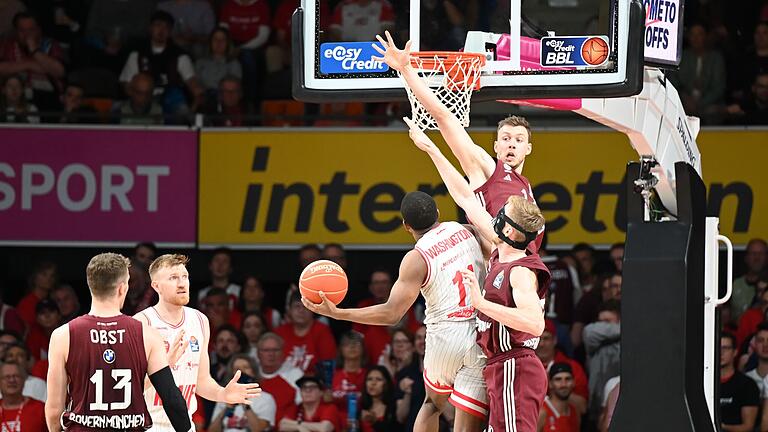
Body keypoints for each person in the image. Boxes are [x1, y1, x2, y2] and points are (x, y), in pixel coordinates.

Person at [401, 100, 550, 431]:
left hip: (515, 361)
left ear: (512, 229)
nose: (491, 218)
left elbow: (535, 324)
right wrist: (430, 148)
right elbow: (465, 197)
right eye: (506, 138)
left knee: (434, 403)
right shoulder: (502, 249)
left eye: (518, 138)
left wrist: (480, 304)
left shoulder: (518, 267)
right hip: (497, 361)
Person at [304, 190, 489, 432]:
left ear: (405, 225)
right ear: (438, 214)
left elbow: (392, 314)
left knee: (432, 403)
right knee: (469, 415)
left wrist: (338, 313)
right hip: (478, 331)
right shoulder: (466, 231)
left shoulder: (416, 257)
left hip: (445, 335)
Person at [371, 31, 543, 253]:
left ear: (528, 148)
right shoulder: (488, 168)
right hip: (500, 272)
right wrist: (406, 70)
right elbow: (444, 116)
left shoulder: (524, 185)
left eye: (519, 140)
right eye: (506, 139)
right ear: (495, 147)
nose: (511, 144)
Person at [45, 252, 193, 432]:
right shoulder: (147, 335)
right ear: (123, 288)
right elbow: (172, 399)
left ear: (90, 285)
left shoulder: (63, 335)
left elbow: (54, 410)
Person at [134, 254, 262, 431]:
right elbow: (128, 387)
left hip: (185, 426)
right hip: (148, 426)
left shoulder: (199, 320)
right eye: (173, 278)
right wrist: (163, 368)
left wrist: (223, 394)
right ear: (156, 286)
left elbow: (201, 381)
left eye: (184, 277)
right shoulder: (141, 323)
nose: (181, 283)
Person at [209, 354, 276, 432]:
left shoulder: (266, 398)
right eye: (237, 369)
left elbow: (258, 429)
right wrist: (226, 408)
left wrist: (245, 403)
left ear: (253, 372)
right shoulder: (224, 396)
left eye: (245, 367)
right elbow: (212, 430)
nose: (241, 372)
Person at [720, 332, 759, 431]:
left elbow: (748, 426)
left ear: (735, 352)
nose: (721, 352)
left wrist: (721, 427)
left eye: (726, 348)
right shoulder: (703, 384)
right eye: (718, 348)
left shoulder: (747, 385)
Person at [0, 361, 46, 431]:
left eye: (16, 376)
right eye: (7, 377)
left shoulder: (41, 409)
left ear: (24, 380)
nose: (12, 380)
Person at [538, 363, 580, 432]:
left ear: (573, 382)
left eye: (568, 379)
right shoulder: (541, 413)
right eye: (558, 379)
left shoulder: (575, 412)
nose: (563, 384)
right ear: (550, 384)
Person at [360, 365, 401, 432]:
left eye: (378, 379)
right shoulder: (361, 407)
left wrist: (375, 422)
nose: (373, 383)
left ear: (386, 384)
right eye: (369, 379)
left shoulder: (393, 407)